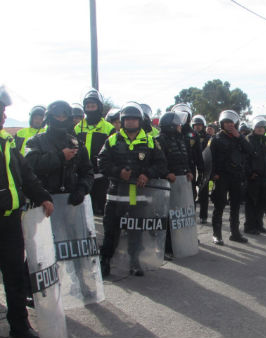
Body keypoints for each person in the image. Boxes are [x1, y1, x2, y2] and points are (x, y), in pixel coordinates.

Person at [1, 88, 54, 338]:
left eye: (3, 110)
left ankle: (20, 327)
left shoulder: (7, 141)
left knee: (14, 276)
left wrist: (42, 196)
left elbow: (26, 175)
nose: (3, 116)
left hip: (10, 221)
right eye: (0, 111)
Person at [98, 102, 167, 276]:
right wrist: (118, 172)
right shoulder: (112, 139)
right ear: (122, 121)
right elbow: (102, 162)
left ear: (139, 121)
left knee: (136, 231)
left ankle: (135, 261)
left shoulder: (150, 141)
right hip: (116, 195)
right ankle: (105, 261)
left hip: (140, 195)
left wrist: (147, 174)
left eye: (134, 119)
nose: (130, 122)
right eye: (127, 119)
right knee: (110, 230)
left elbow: (161, 164)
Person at [209, 110, 254, 245]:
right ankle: (217, 234)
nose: (229, 125)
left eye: (231, 122)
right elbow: (208, 159)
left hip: (236, 176)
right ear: (222, 124)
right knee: (219, 205)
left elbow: (250, 151)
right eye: (226, 122)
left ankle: (235, 233)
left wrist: (239, 136)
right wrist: (213, 175)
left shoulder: (239, 138)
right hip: (221, 177)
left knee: (235, 206)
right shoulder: (215, 139)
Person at [156, 112, 192, 259]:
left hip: (181, 182)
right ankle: (165, 247)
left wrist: (188, 170)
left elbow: (185, 158)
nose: (179, 126)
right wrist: (166, 173)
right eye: (177, 124)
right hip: (167, 182)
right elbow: (158, 161)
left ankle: (180, 243)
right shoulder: (159, 140)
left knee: (179, 214)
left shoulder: (180, 139)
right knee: (166, 216)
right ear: (170, 126)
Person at [74, 89, 115, 215]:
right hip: (82, 176)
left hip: (102, 177)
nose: (90, 109)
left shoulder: (109, 128)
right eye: (88, 106)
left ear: (99, 107)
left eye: (93, 106)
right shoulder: (77, 127)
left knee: (102, 211)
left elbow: (112, 153)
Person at [244, 116, 266, 235]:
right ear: (254, 127)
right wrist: (250, 173)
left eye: (262, 127)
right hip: (253, 177)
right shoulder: (248, 140)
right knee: (251, 203)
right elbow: (245, 159)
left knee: (262, 202)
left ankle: (258, 224)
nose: (260, 129)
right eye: (258, 127)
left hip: (265, 177)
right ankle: (249, 226)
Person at [191, 114, 210, 224]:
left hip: (204, 168)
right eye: (196, 125)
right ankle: (191, 215)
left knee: (203, 193)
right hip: (193, 167)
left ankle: (203, 216)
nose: (198, 127)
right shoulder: (190, 136)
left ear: (203, 126)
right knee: (192, 193)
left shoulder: (208, 138)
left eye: (200, 125)